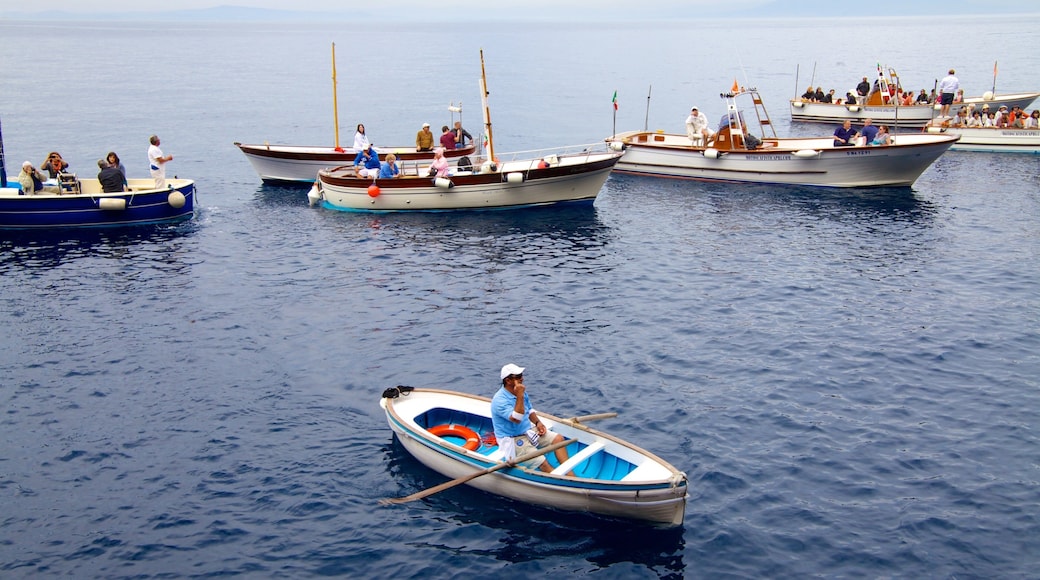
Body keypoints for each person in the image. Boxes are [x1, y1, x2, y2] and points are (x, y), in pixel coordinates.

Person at [490, 363, 571, 474]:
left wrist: (538, 422)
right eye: (518, 377)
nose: (522, 379)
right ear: (508, 381)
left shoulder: (520, 392)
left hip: (527, 431)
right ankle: (564, 484)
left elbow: (529, 410)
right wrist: (519, 395)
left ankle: (571, 475)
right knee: (543, 463)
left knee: (558, 439)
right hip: (513, 439)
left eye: (521, 375)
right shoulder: (499, 400)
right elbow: (517, 418)